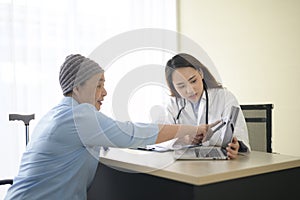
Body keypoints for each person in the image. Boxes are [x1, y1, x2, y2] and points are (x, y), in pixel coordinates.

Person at [4, 54, 217, 200]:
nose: (104, 92)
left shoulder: (59, 113)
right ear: (77, 88)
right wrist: (192, 129)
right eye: (98, 85)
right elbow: (132, 133)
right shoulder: (78, 116)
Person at [155, 53, 250, 159]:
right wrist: (183, 139)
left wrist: (235, 146)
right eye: (181, 86)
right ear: (173, 86)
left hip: (218, 163)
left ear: (201, 73)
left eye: (193, 81)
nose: (190, 90)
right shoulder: (171, 104)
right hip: (182, 165)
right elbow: (157, 139)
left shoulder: (224, 97)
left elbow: (238, 135)